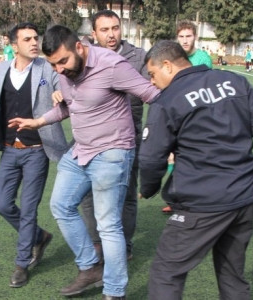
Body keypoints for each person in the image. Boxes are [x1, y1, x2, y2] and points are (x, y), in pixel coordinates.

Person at [139, 40, 253, 300]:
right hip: (245, 195)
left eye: (152, 74)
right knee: (231, 274)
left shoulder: (166, 101)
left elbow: (151, 158)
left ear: (168, 66)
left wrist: (148, 188)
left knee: (166, 273)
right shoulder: (234, 82)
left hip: (202, 202)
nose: (151, 81)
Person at [9, 25, 159, 300]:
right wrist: (39, 120)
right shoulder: (65, 70)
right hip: (80, 150)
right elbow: (71, 103)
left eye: (63, 61)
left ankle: (114, 292)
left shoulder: (111, 64)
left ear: (79, 47)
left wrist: (167, 138)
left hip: (112, 152)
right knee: (60, 204)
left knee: (107, 224)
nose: (59, 70)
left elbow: (152, 95)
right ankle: (90, 267)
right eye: (54, 65)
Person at [0, 23, 68, 288]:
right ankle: (40, 237)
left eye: (35, 38)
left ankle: (21, 263)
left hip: (37, 150)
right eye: (27, 39)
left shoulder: (46, 69)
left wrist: (61, 94)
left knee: (28, 209)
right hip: (9, 149)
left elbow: (61, 84)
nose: (34, 42)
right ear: (14, 45)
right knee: (2, 204)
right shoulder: (1, 69)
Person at [79, 9, 149, 261]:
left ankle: (125, 244)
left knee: (127, 195)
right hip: (92, 138)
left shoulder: (138, 57)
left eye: (115, 28)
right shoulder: (83, 56)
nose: (111, 34)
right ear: (94, 33)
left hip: (129, 137)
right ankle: (97, 244)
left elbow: (153, 92)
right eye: (105, 30)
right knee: (87, 193)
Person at [161, 20, 213, 214]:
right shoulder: (172, 58)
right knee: (174, 156)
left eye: (188, 36)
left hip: (197, 117)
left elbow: (205, 88)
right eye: (181, 36)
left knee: (196, 159)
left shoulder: (203, 58)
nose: (184, 40)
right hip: (177, 115)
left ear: (195, 37)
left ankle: (199, 201)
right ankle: (176, 201)